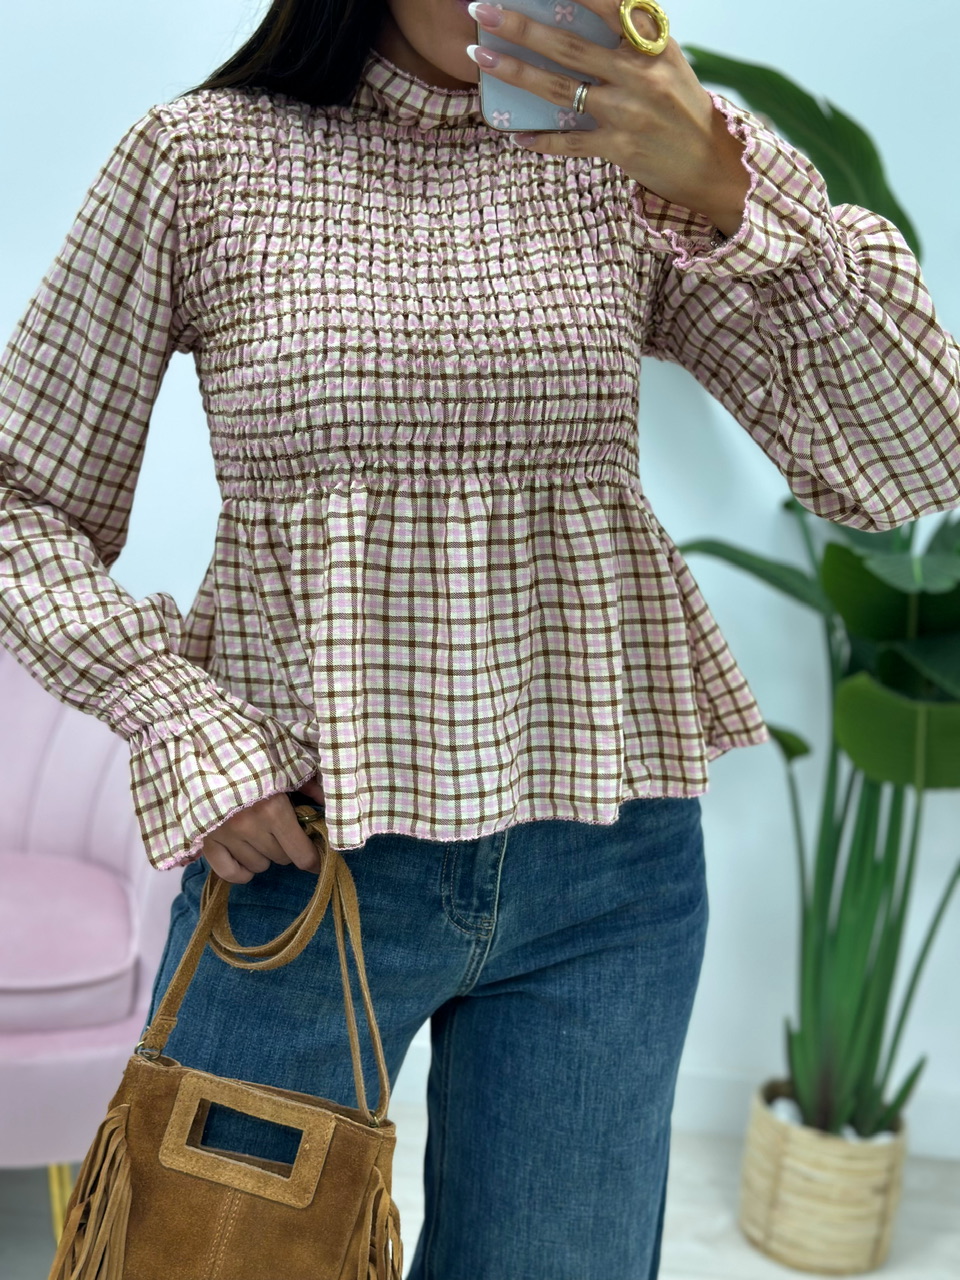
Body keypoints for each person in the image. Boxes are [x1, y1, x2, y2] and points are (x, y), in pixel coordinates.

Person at [2, 0, 958, 1275]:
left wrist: (727, 184)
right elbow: (22, 499)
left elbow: (909, 461)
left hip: (608, 870)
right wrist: (176, 713)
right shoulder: (202, 157)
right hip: (306, 860)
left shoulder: (625, 156)